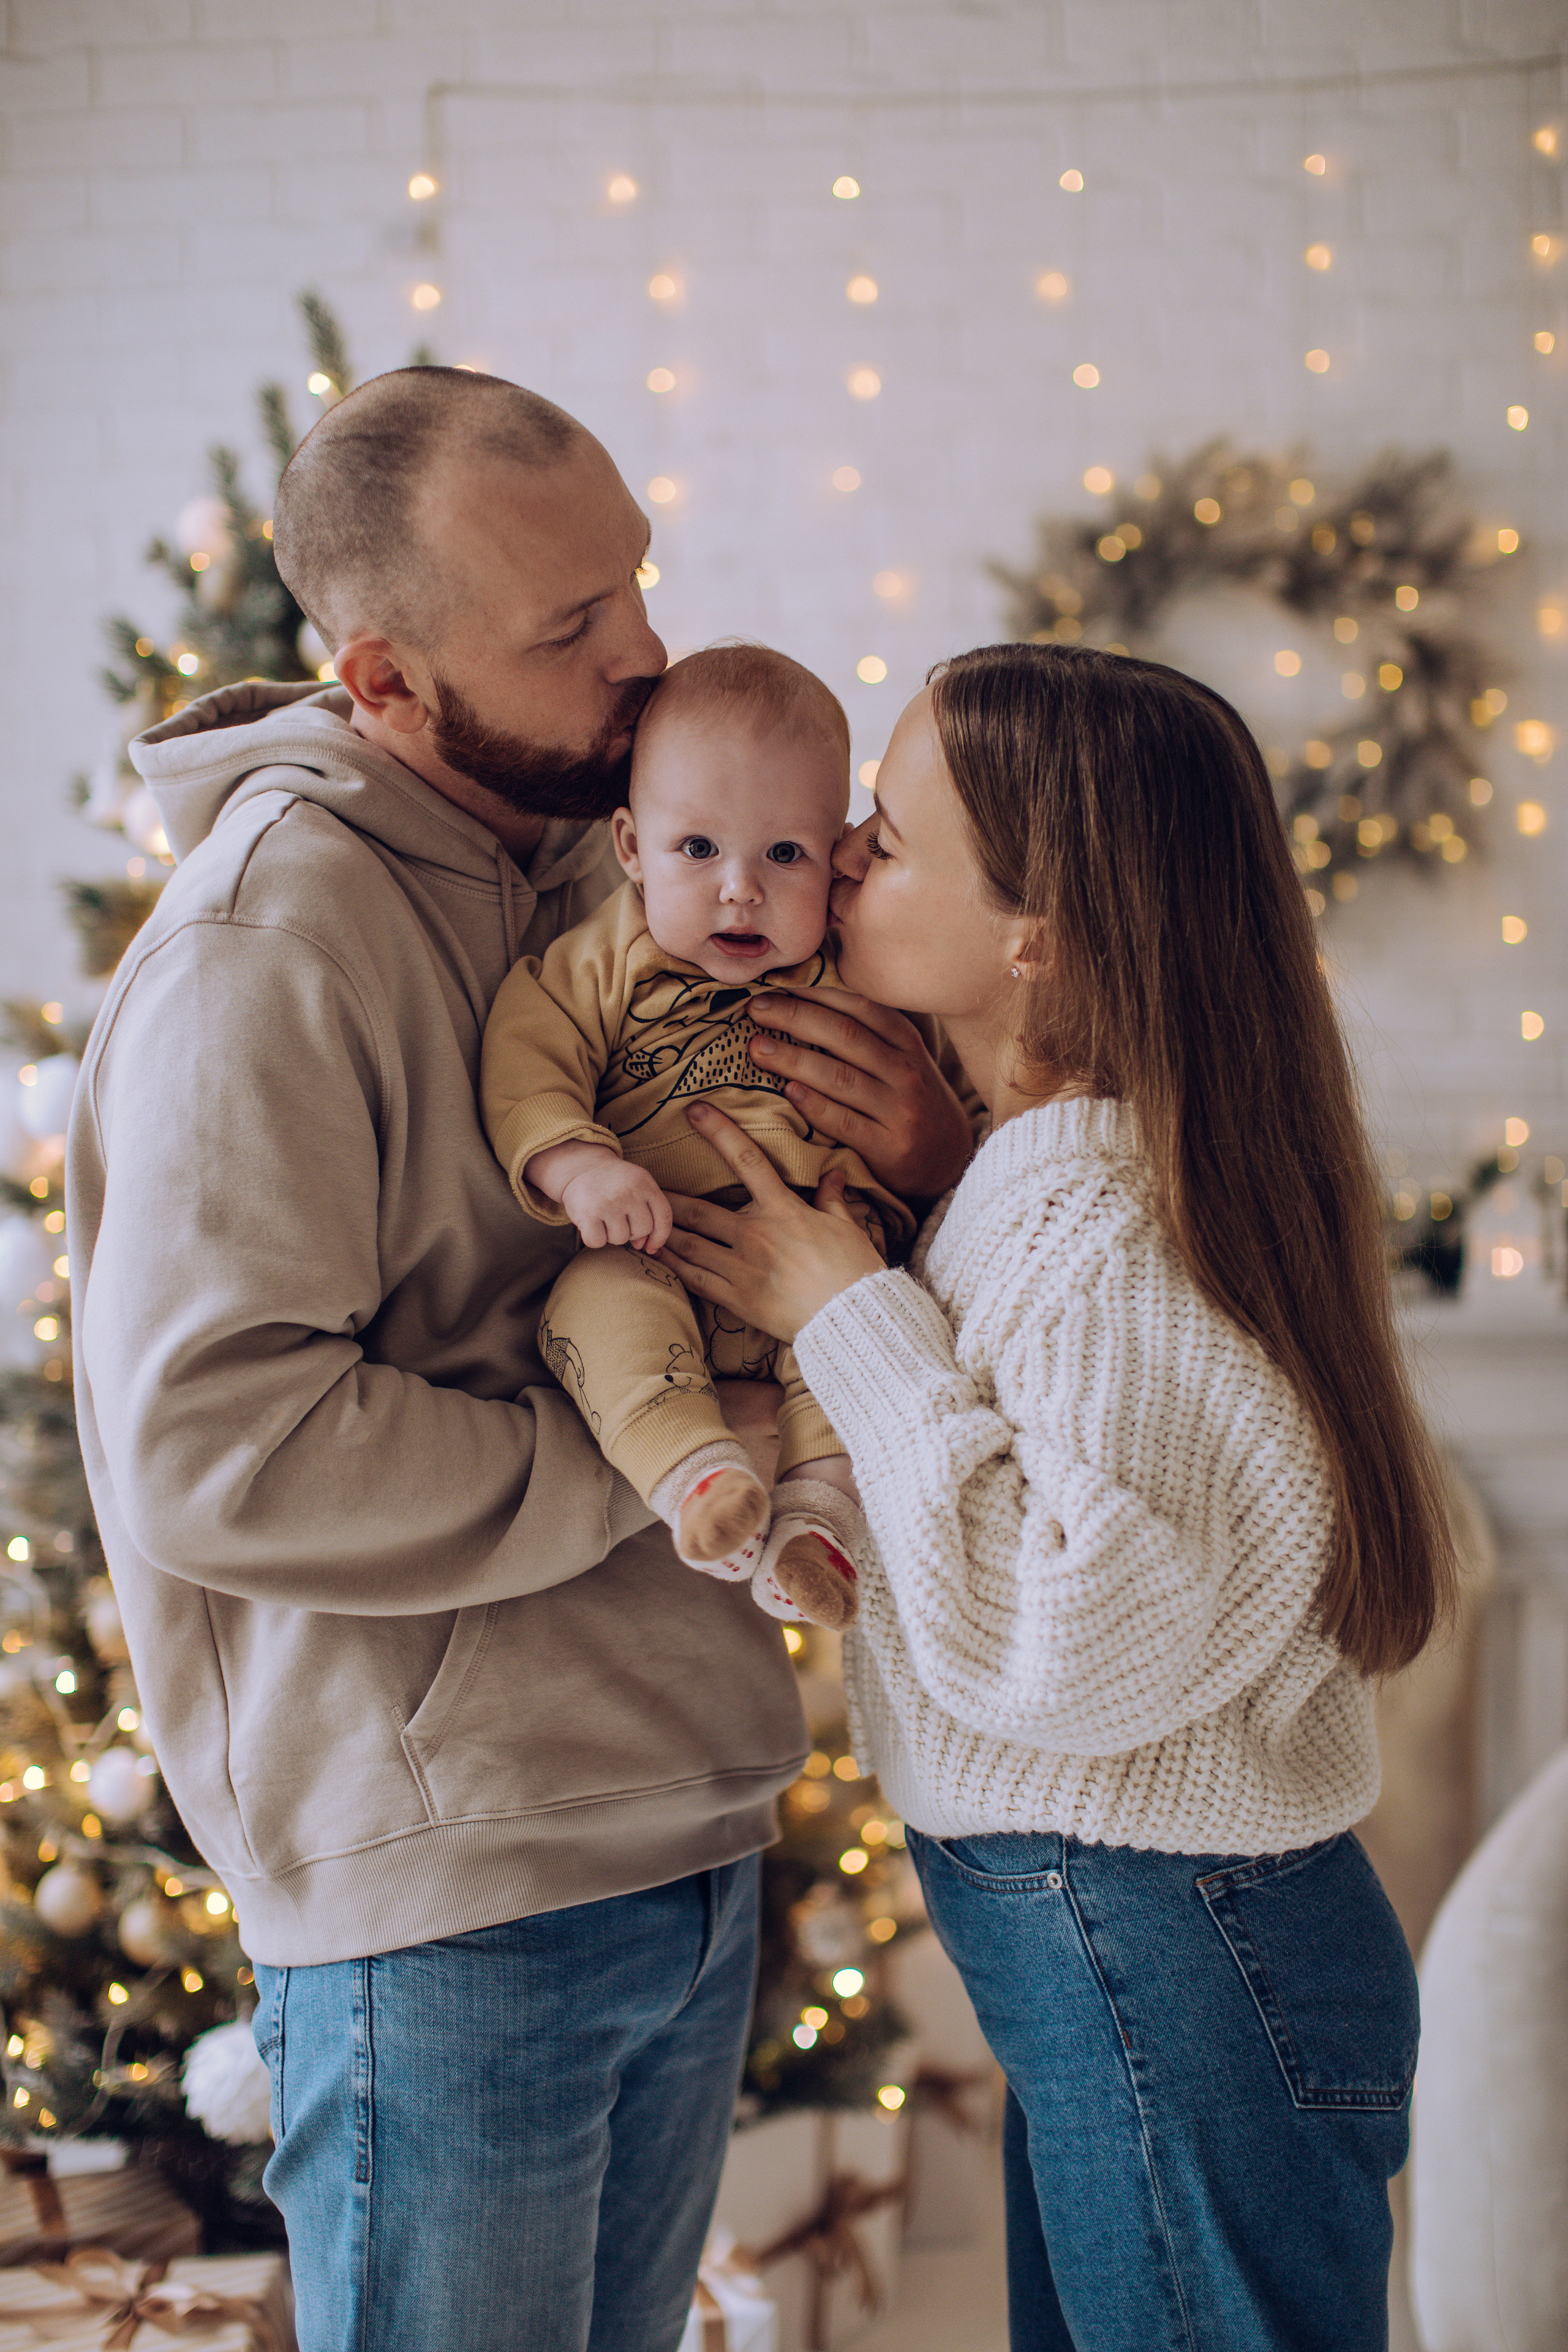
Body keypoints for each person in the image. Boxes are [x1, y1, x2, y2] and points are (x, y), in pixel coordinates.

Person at [64, 367, 973, 2352]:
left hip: (680, 1833)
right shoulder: (266, 952)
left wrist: (928, 1150)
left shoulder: (613, 849)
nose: (646, 656)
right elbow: (217, 1449)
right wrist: (670, 1457)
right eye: (571, 631)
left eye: (633, 585)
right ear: (385, 683)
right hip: (451, 1904)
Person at [657, 640, 1457, 2352]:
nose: (843, 857)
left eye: (887, 832)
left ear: (1040, 933)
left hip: (1172, 1960)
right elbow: (1051, 1394)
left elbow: (1081, 1632)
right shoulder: (1076, 1182)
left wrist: (848, 1316)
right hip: (1141, 1958)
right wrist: (947, 1176)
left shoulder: (1103, 1234)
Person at [482, 642, 918, 1631]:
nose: (741, 890)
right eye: (699, 850)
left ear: (841, 854)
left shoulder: (859, 971)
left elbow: (937, 1096)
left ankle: (816, 1526)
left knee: (861, 1343)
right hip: (658, 1248)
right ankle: (696, 1478)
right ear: (631, 847)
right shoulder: (603, 959)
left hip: (829, 1267)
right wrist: (578, 1163)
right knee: (598, 1308)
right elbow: (527, 1055)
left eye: (785, 854)